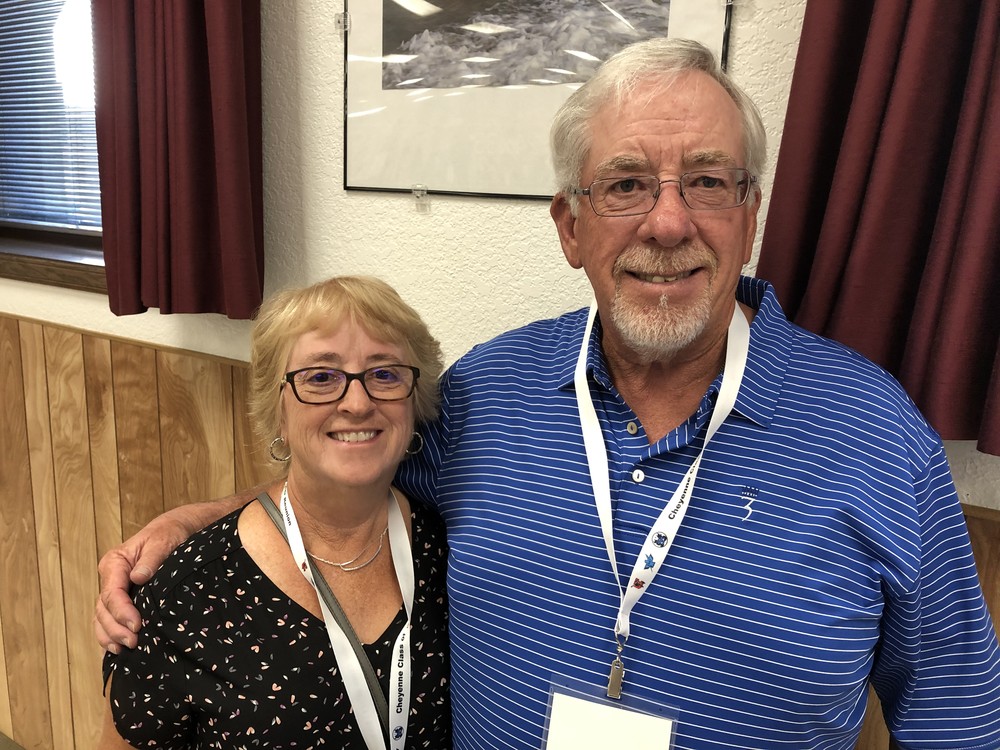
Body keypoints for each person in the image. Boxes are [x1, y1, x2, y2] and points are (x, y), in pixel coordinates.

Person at [95, 39, 1000, 749]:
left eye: (707, 181)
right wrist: (209, 521)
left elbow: (957, 719)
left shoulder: (880, 438)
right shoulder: (487, 392)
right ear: (570, 226)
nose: (669, 221)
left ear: (750, 213)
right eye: (626, 185)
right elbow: (351, 477)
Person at [99, 276, 450, 748]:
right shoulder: (187, 593)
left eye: (385, 374)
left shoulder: (450, 549)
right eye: (321, 377)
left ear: (414, 400)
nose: (358, 402)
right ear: (277, 409)